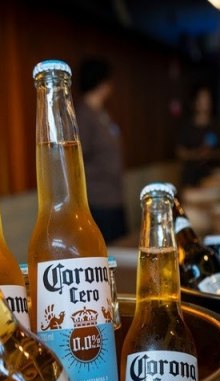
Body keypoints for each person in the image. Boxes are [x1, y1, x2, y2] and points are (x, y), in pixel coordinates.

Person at [75, 57, 128, 243]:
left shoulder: (102, 113)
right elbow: (77, 159)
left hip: (114, 195)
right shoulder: (84, 115)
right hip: (98, 200)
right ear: (101, 82)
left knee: (120, 245)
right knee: (107, 249)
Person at [175, 84, 220, 187]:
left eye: (208, 99)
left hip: (213, 178)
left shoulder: (216, 126)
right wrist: (196, 154)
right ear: (195, 102)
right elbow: (180, 152)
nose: (206, 103)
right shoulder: (187, 127)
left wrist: (211, 154)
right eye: (203, 99)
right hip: (191, 178)